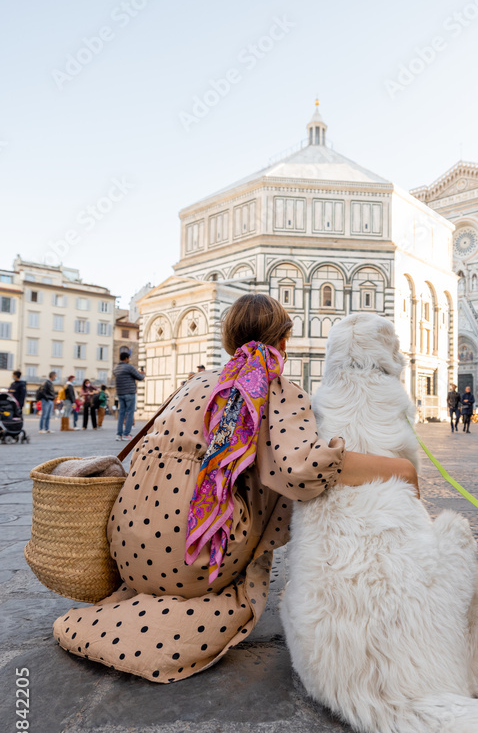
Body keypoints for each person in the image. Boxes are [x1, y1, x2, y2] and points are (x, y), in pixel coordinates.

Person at [53, 293, 419, 683]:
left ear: (229, 341)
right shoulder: (274, 388)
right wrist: (399, 469)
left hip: (126, 552)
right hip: (192, 559)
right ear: (284, 340)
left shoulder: (196, 382)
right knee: (278, 469)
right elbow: (302, 471)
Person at [114, 351, 145, 441]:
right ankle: (126, 434)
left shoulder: (116, 368)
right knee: (130, 413)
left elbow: (125, 376)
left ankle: (119, 434)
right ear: (127, 358)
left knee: (121, 413)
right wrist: (142, 373)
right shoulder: (129, 367)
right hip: (130, 393)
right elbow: (140, 377)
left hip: (120, 393)